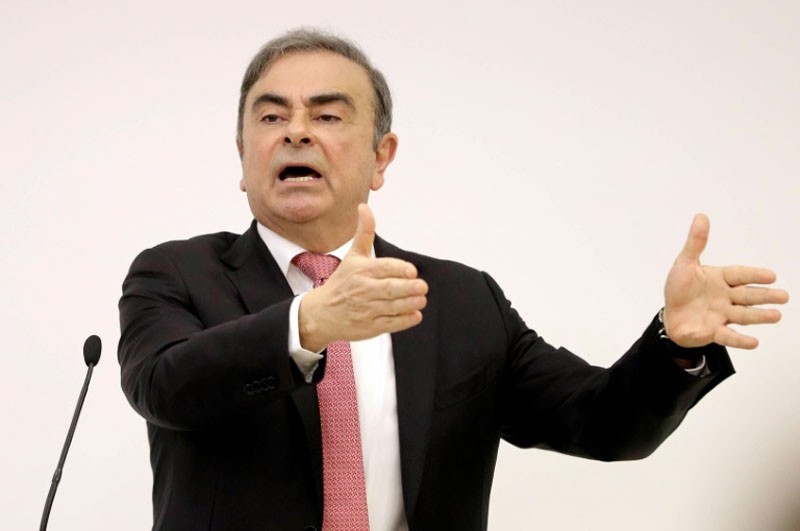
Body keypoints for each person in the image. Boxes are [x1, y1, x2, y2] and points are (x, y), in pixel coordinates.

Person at [118, 28, 789, 531]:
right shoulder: (175, 274)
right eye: (271, 117)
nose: (296, 132)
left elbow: (602, 424)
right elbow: (165, 386)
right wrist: (309, 323)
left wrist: (674, 342)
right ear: (243, 156)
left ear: (381, 157)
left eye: (326, 115)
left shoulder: (462, 301)